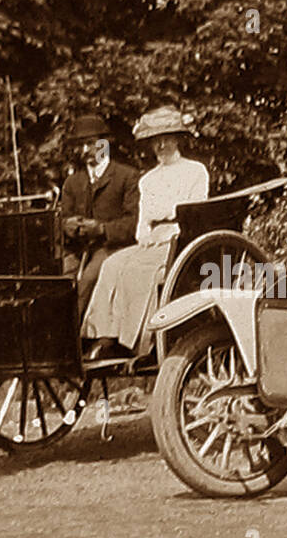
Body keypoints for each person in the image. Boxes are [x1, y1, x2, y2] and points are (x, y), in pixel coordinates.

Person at [82, 106, 209, 359]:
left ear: (177, 139)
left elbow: (193, 212)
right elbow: (143, 220)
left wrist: (168, 222)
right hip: (152, 240)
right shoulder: (148, 180)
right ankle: (104, 335)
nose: (161, 145)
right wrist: (144, 235)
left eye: (167, 139)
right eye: (156, 141)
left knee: (141, 271)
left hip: (180, 239)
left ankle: (139, 341)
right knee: (113, 264)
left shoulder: (195, 171)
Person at [59, 114, 140, 314]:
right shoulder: (73, 182)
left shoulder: (126, 176)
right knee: (59, 282)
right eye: (80, 145)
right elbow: (61, 218)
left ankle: (72, 341)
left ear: (105, 144)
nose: (85, 151)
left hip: (112, 247)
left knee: (87, 280)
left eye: (90, 143)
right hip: (77, 250)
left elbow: (134, 222)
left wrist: (102, 229)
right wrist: (65, 226)